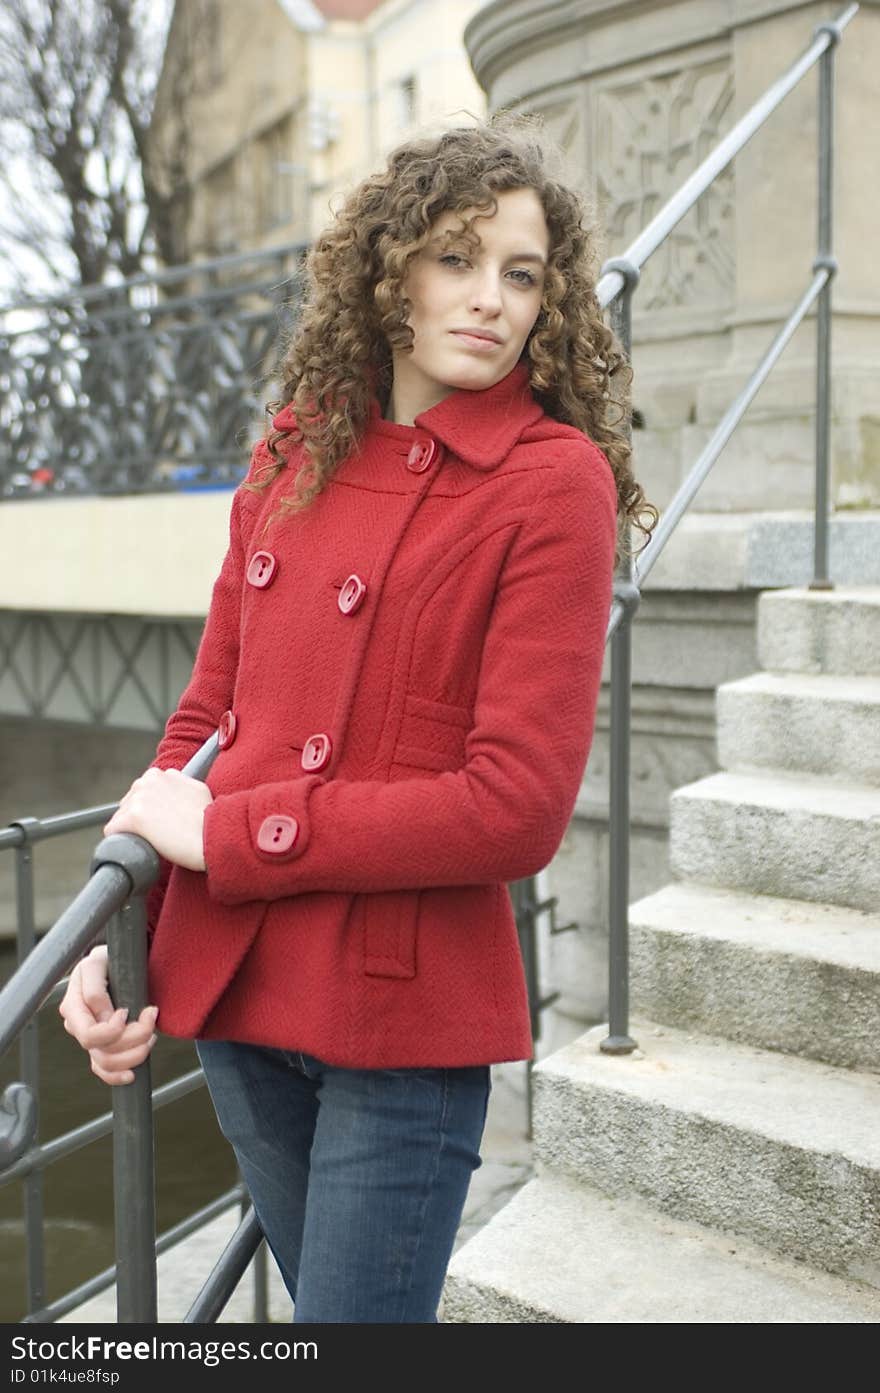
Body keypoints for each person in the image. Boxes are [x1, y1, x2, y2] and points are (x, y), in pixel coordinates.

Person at [59, 115, 657, 1323]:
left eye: (522, 272)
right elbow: (205, 719)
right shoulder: (293, 454)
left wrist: (237, 840)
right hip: (236, 991)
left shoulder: (552, 481)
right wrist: (118, 928)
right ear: (388, 271)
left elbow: (514, 809)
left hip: (399, 1015)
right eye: (455, 257)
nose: (488, 299)